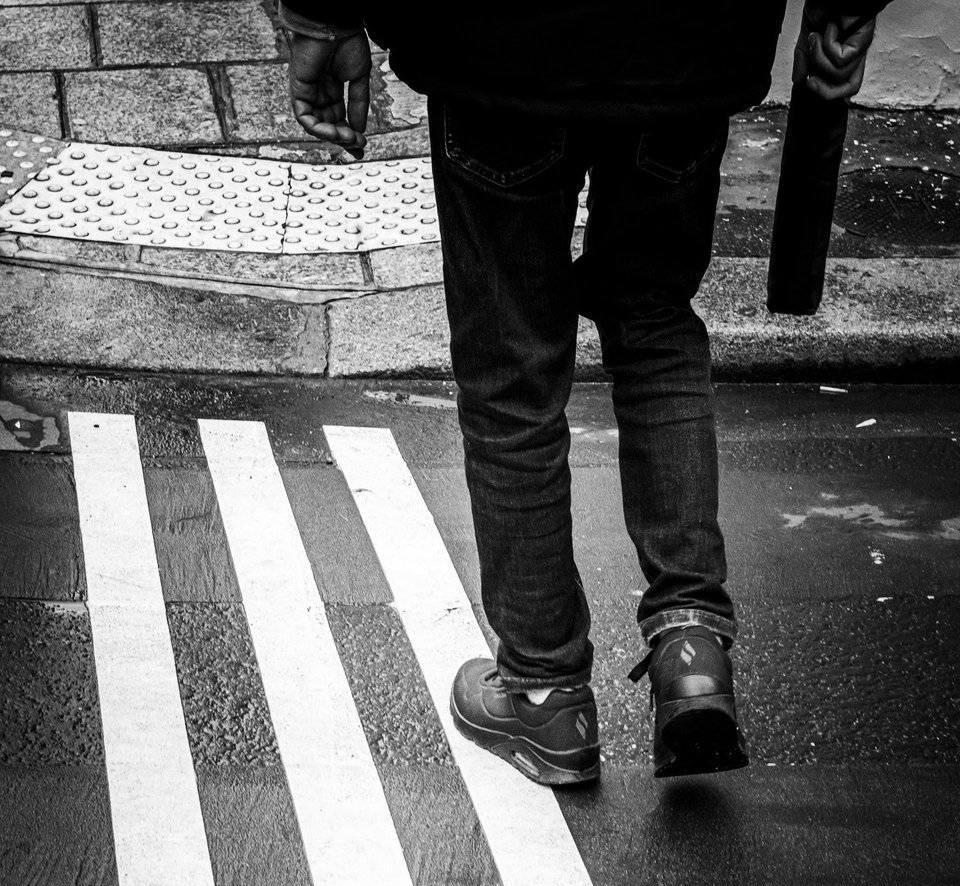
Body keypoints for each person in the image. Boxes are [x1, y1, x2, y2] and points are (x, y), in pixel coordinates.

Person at [279, 3, 885, 784]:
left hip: (499, 48)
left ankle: (545, 691)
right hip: (688, 46)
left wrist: (321, 16)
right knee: (655, 321)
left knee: (511, 372)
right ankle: (692, 645)